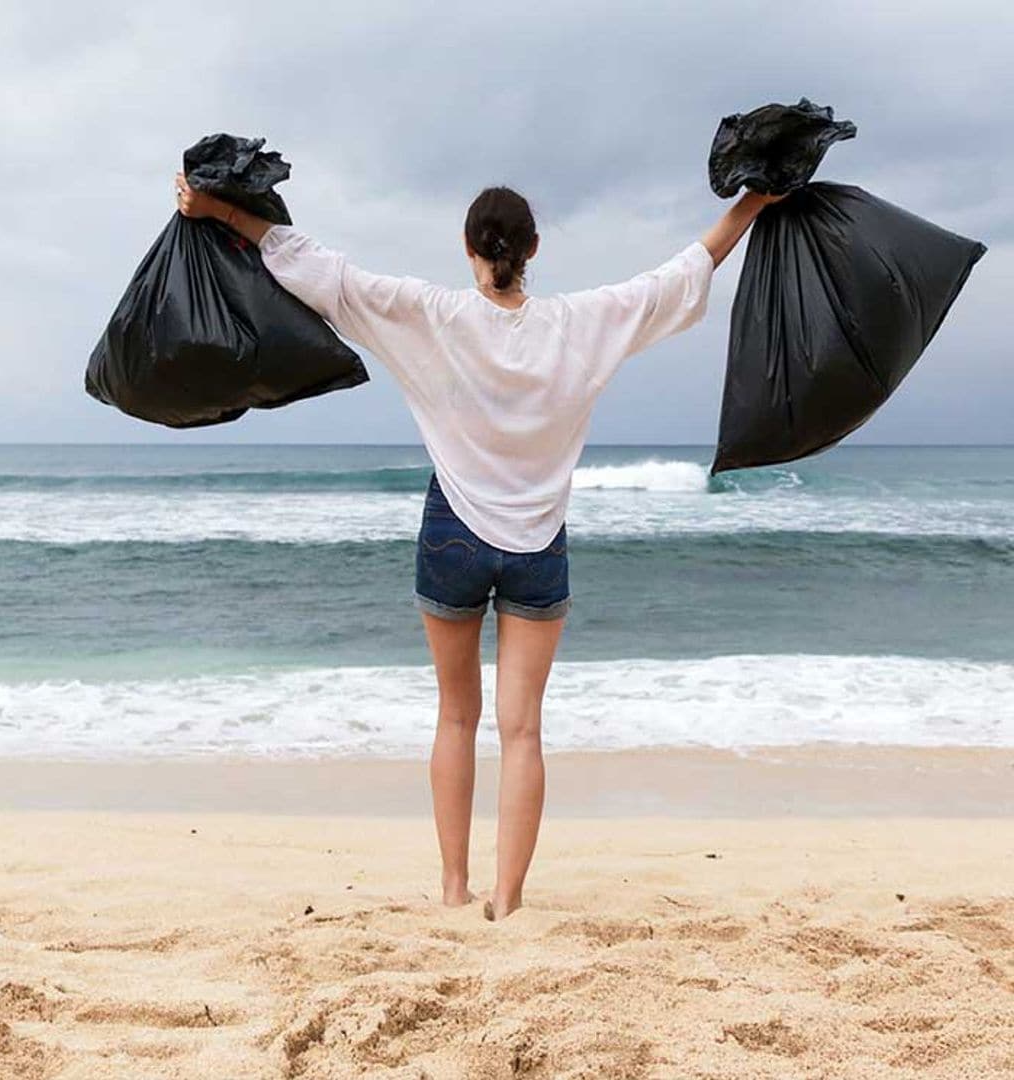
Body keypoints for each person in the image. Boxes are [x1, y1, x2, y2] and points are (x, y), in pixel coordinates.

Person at [174, 172, 786, 920]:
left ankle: (454, 890)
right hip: (539, 544)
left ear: (468, 249)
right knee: (523, 727)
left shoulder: (431, 316)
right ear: (533, 250)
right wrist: (752, 204)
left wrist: (223, 212)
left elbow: (323, 273)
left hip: (452, 536)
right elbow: (679, 277)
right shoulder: (580, 323)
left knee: (455, 717)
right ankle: (507, 900)